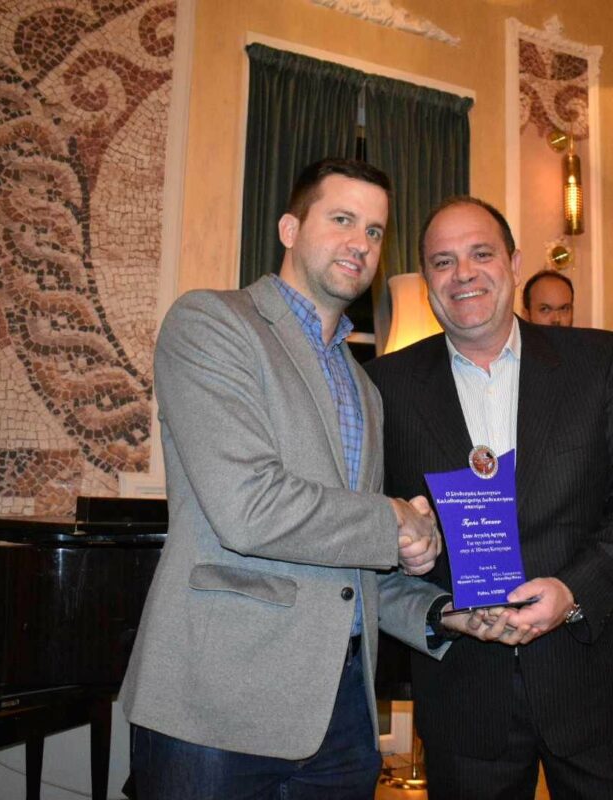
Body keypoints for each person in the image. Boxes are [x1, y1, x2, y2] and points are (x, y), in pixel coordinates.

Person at [120, 159, 455, 800]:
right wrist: (394, 519)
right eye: (342, 219)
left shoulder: (364, 386)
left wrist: (438, 611)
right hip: (217, 705)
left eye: (375, 231)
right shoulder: (212, 323)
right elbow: (248, 508)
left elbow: (349, 561)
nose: (361, 243)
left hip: (344, 713)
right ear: (290, 229)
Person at [365, 196, 613, 800]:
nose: (463, 274)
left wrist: (573, 591)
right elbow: (370, 520)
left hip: (594, 685)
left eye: (481, 254)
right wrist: (402, 540)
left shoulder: (597, 362)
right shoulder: (385, 386)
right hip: (464, 698)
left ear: (512, 263)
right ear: (427, 280)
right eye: (443, 261)